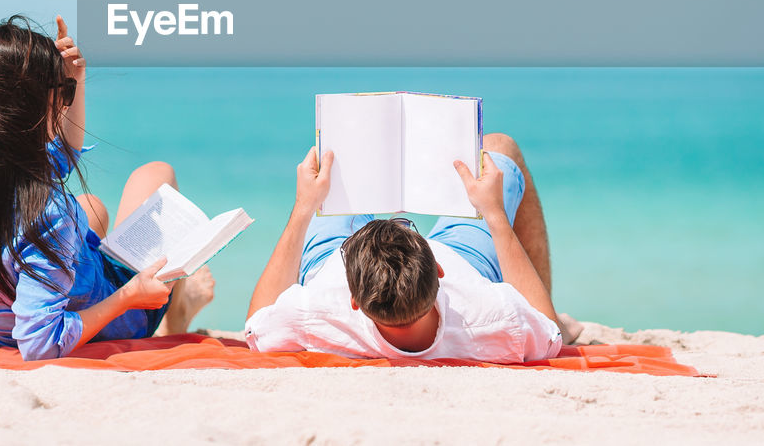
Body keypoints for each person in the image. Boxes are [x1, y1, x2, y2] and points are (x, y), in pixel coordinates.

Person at [0, 15, 214, 360]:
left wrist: (73, 79)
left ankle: (170, 300)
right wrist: (131, 296)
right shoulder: (47, 213)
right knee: (156, 174)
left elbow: (54, 159)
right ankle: (175, 311)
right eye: (62, 94)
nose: (65, 100)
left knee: (92, 205)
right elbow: (41, 344)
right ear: (29, 108)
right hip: (100, 317)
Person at [244, 133, 576, 362]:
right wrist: (494, 215)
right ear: (440, 270)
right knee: (499, 146)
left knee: (336, 150)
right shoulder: (497, 316)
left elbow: (257, 320)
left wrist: (304, 207)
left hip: (325, 266)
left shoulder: (312, 313)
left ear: (354, 301)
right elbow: (548, 331)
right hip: (468, 265)